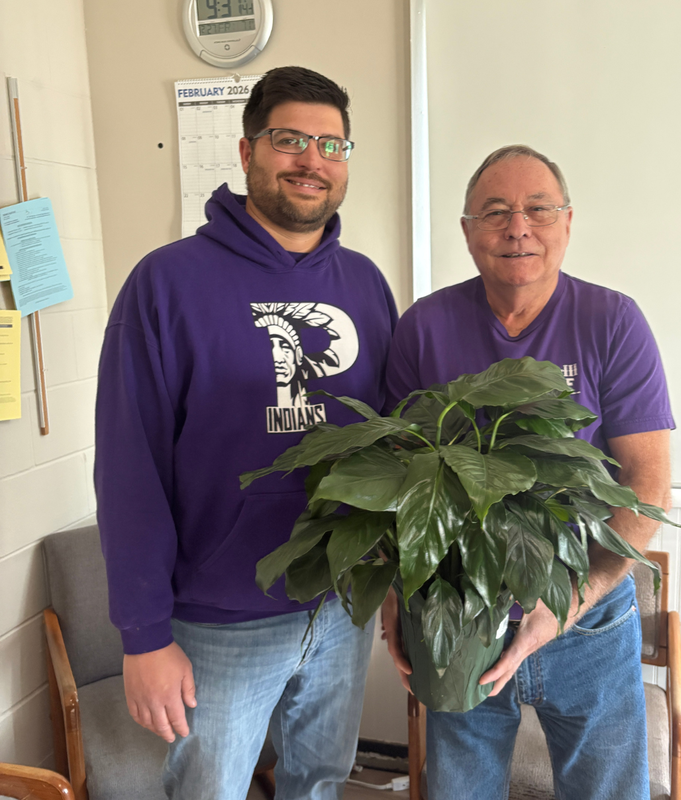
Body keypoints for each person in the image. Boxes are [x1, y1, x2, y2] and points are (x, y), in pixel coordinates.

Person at [95, 66, 397, 800]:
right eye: (290, 139)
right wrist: (144, 635)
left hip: (340, 606)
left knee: (320, 782)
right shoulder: (166, 284)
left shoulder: (365, 284)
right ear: (246, 151)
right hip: (220, 618)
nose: (312, 160)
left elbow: (393, 448)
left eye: (332, 143)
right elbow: (128, 467)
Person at [381, 144, 674, 800]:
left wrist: (569, 601)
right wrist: (397, 596)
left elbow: (646, 480)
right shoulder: (423, 328)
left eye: (538, 209)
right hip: (460, 611)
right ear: (466, 231)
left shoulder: (613, 322)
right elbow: (396, 476)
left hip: (587, 618)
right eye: (495, 212)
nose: (518, 227)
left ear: (567, 223)